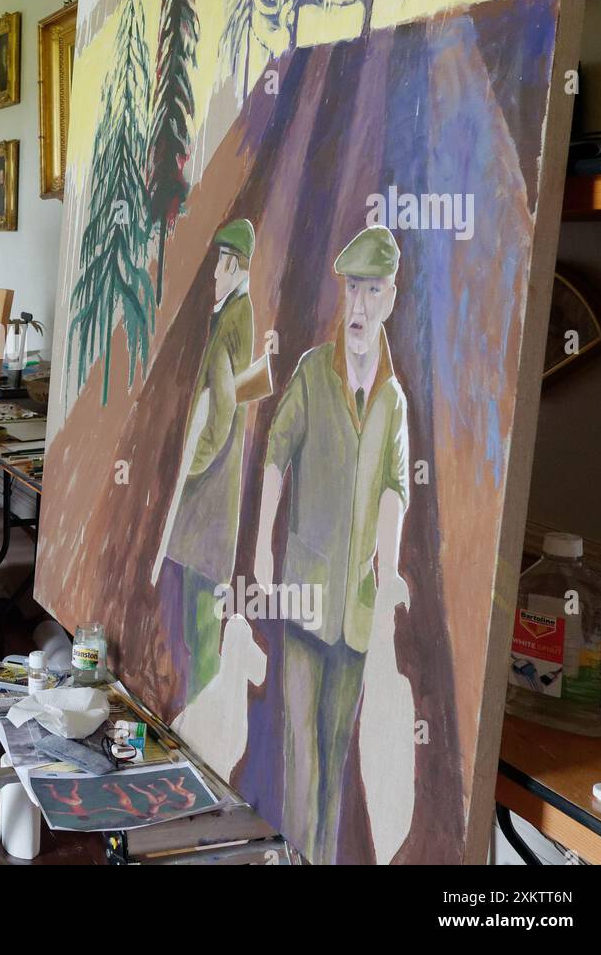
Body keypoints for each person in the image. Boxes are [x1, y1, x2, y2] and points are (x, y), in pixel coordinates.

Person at [253, 224, 410, 864]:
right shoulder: (314, 372)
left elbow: (395, 487)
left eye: (373, 291)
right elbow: (274, 454)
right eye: (353, 290)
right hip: (305, 597)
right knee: (303, 759)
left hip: (358, 608)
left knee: (335, 756)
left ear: (390, 298)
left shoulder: (393, 401)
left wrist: (392, 566)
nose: (361, 305)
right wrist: (263, 549)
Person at [150, 219, 260, 703]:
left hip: (209, 501)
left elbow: (223, 408)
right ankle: (196, 709)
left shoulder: (235, 316)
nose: (214, 271)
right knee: (197, 613)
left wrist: (190, 468)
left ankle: (201, 713)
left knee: (201, 616)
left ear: (233, 266)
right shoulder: (233, 313)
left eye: (220, 262)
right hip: (210, 503)